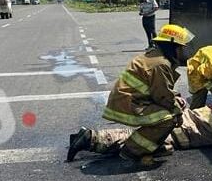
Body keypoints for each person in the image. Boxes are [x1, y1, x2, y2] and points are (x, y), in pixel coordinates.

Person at [79, 23, 194, 166]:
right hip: (129, 105)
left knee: (167, 114)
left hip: (129, 101)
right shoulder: (161, 64)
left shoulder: (155, 56)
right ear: (174, 47)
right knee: (169, 119)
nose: (186, 51)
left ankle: (144, 146)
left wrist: (175, 97)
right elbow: (163, 96)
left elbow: (157, 88)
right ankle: (132, 151)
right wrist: (178, 111)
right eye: (183, 47)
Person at [67, 92, 212, 162]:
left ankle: (91, 135)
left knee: (133, 135)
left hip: (177, 122)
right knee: (134, 142)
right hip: (178, 134)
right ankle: (90, 139)